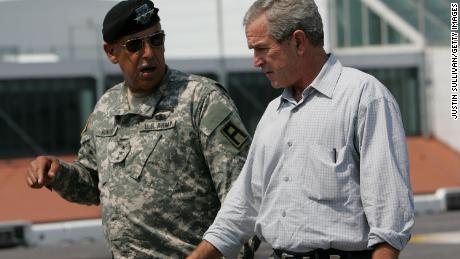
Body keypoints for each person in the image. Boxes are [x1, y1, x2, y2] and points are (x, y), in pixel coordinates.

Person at [25, 0, 258, 258]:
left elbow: (243, 198)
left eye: (156, 40)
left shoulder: (201, 100)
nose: (149, 52)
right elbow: (93, 184)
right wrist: (58, 174)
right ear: (111, 52)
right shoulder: (106, 107)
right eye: (135, 45)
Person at [188, 0, 414, 258]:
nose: (256, 61)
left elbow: (390, 216)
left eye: (262, 49)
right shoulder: (273, 114)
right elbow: (242, 208)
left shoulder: (364, 97)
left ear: (298, 42)